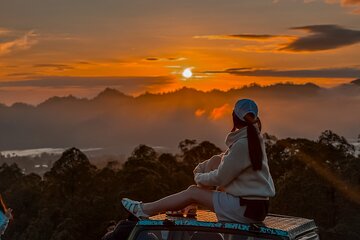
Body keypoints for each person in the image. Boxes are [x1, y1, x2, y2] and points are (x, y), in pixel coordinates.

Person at [122, 99, 275, 223]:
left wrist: (199, 177)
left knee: (193, 191)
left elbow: (220, 177)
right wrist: (205, 167)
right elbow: (225, 160)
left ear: (234, 118)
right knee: (215, 163)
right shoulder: (253, 139)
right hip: (254, 207)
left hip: (244, 209)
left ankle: (144, 210)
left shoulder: (243, 144)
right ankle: (188, 205)